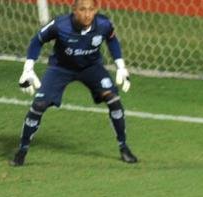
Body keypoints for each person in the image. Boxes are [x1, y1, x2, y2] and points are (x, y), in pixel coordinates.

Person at [10, 0, 137, 166]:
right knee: (39, 104)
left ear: (96, 10)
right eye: (82, 9)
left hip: (91, 67)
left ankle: (124, 147)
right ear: (74, 10)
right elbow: (37, 40)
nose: (87, 14)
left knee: (113, 98)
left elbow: (112, 40)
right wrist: (28, 69)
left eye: (91, 10)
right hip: (61, 68)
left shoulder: (104, 24)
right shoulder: (60, 25)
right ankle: (22, 150)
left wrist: (121, 66)